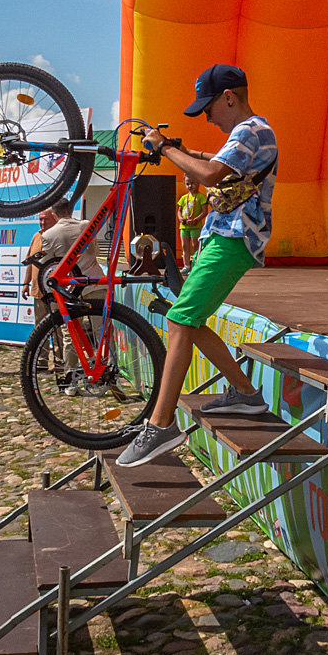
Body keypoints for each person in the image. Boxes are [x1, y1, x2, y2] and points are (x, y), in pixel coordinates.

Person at [117, 64, 278, 468]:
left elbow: (209, 175)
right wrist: (181, 149)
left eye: (208, 108)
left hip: (233, 238)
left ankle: (161, 424)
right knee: (190, 318)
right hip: (223, 236)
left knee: (179, 320)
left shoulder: (251, 130)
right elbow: (213, 162)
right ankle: (244, 393)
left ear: (229, 97)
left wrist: (166, 149)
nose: (206, 117)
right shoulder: (249, 134)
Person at [40, 198, 105, 395]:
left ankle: (71, 381)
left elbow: (47, 263)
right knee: (101, 332)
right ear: (70, 209)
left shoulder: (49, 234)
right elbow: (95, 249)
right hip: (93, 281)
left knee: (70, 336)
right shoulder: (85, 225)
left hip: (69, 289)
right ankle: (106, 376)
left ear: (54, 213)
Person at [22, 209, 59, 369]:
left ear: (54, 218)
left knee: (58, 329)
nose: (42, 222)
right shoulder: (36, 236)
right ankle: (42, 361)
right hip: (38, 291)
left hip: (56, 292)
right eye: (40, 219)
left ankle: (60, 362)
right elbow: (30, 262)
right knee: (40, 328)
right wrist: (25, 283)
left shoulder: (58, 235)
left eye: (45, 219)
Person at [177, 175, 208, 272]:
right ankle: (186, 265)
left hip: (195, 227)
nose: (190, 186)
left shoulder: (201, 197)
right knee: (184, 246)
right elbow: (179, 210)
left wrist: (196, 220)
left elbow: (204, 211)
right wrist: (181, 218)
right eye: (187, 184)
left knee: (195, 246)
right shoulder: (183, 198)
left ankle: (195, 265)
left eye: (193, 183)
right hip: (184, 226)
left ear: (199, 182)